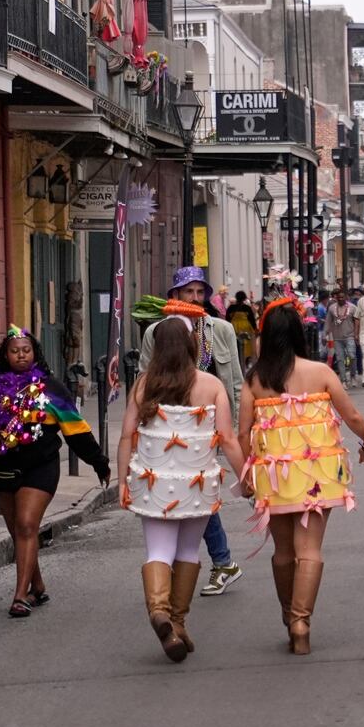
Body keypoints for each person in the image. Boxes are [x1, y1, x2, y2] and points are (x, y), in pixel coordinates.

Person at [240, 297, 364, 654]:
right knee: (309, 548)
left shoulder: (255, 379)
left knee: (283, 551)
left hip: (274, 474)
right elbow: (354, 418)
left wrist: (245, 474)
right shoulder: (321, 373)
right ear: (300, 333)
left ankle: (288, 616)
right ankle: (301, 621)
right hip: (319, 473)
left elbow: (242, 433)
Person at [117, 316, 246, 662]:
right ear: (193, 346)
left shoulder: (143, 384)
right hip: (198, 483)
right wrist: (246, 479)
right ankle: (177, 621)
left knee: (158, 551)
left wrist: (122, 482)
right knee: (189, 551)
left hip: (152, 482)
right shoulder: (210, 385)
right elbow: (228, 439)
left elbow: (127, 436)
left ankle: (158, 611)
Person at [0, 326, 110, 618]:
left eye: (26, 350)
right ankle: (36, 585)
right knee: (19, 532)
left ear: (34, 353)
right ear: (5, 356)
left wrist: (99, 462)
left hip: (41, 468)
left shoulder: (51, 388)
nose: (21, 355)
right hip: (2, 469)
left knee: (26, 525)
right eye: (14, 351)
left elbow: (77, 431)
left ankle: (20, 596)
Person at [139, 267, 246, 598]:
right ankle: (219, 562)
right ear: (175, 296)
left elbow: (237, 382)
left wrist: (242, 429)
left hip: (210, 425)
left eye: (201, 293)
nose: (196, 299)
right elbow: (144, 379)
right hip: (169, 425)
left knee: (197, 492)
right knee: (190, 495)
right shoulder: (157, 332)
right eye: (189, 292)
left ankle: (215, 562)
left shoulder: (222, 331)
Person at [328, 291, 357, 384]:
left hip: (350, 336)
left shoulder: (353, 307)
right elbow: (328, 321)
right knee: (340, 359)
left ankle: (353, 376)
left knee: (352, 356)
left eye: (342, 297)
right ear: (336, 298)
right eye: (339, 298)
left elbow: (357, 322)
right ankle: (343, 380)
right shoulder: (332, 308)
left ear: (346, 298)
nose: (340, 299)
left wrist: (357, 334)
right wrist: (326, 334)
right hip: (337, 338)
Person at [225, 290, 257, 363]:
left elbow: (227, 318)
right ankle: (246, 360)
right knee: (246, 345)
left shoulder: (231, 307)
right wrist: (254, 328)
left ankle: (236, 358)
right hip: (246, 328)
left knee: (234, 343)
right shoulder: (247, 308)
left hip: (234, 327)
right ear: (244, 298)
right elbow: (251, 319)